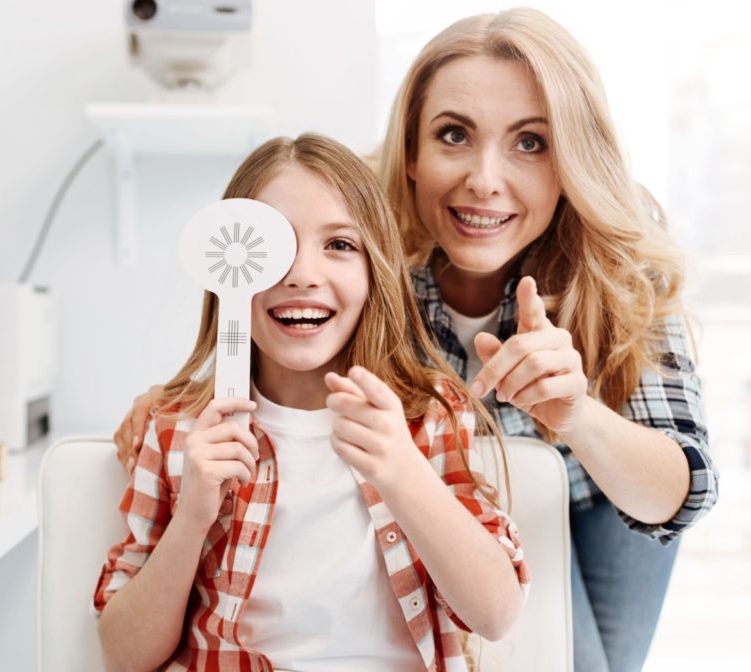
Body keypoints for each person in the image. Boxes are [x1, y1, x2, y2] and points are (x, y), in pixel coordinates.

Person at [113, 9, 718, 672]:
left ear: (570, 158)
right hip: (470, 506)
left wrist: (577, 416)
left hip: (608, 496)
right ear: (409, 152)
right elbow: (267, 318)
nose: (484, 179)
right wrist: (182, 398)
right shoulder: (366, 257)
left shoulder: (620, 275)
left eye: (531, 142)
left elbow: (677, 494)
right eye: (454, 134)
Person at [94, 134, 529, 672]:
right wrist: (192, 518)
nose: (302, 273)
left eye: (340, 245)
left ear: (376, 272)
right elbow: (123, 655)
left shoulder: (429, 419)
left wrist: (402, 472)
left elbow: (496, 614)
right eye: (269, 246)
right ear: (226, 271)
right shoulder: (174, 431)